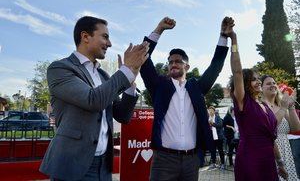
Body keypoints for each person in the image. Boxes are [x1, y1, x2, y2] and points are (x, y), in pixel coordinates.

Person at [39, 16, 149, 180]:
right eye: (105, 36)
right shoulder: (60, 68)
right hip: (73, 165)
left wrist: (130, 82)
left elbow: (122, 115)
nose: (109, 43)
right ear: (85, 37)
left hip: (103, 166)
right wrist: (125, 70)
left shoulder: (103, 75)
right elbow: (93, 100)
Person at [140, 17, 229, 181]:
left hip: (191, 161)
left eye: (178, 61)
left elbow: (215, 66)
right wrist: (159, 29)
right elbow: (143, 60)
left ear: (186, 67)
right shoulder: (159, 86)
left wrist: (223, 37)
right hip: (163, 161)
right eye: (170, 62)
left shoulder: (196, 87)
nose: (173, 64)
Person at [228, 17, 288, 180]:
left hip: (268, 161)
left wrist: (280, 163)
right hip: (250, 159)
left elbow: (271, 136)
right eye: (254, 79)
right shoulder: (243, 101)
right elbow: (237, 72)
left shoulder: (264, 105)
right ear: (245, 83)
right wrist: (234, 39)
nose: (258, 81)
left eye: (258, 78)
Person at [261, 75, 300, 181]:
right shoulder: (260, 106)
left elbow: (296, 128)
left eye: (274, 83)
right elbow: (270, 128)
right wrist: (283, 107)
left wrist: (291, 106)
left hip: (285, 151)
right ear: (261, 88)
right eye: (268, 83)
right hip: (268, 151)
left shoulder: (281, 105)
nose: (273, 85)